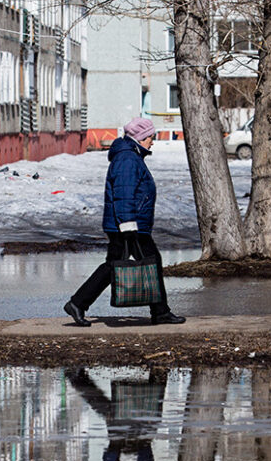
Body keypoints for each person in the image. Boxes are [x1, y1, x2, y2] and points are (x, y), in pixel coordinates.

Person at [64, 117, 186, 327]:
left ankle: (78, 303)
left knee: (121, 264)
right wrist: (128, 226)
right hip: (129, 225)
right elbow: (124, 194)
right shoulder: (128, 159)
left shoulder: (130, 156)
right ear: (140, 138)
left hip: (128, 224)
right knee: (148, 262)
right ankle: (160, 312)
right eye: (150, 137)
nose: (152, 142)